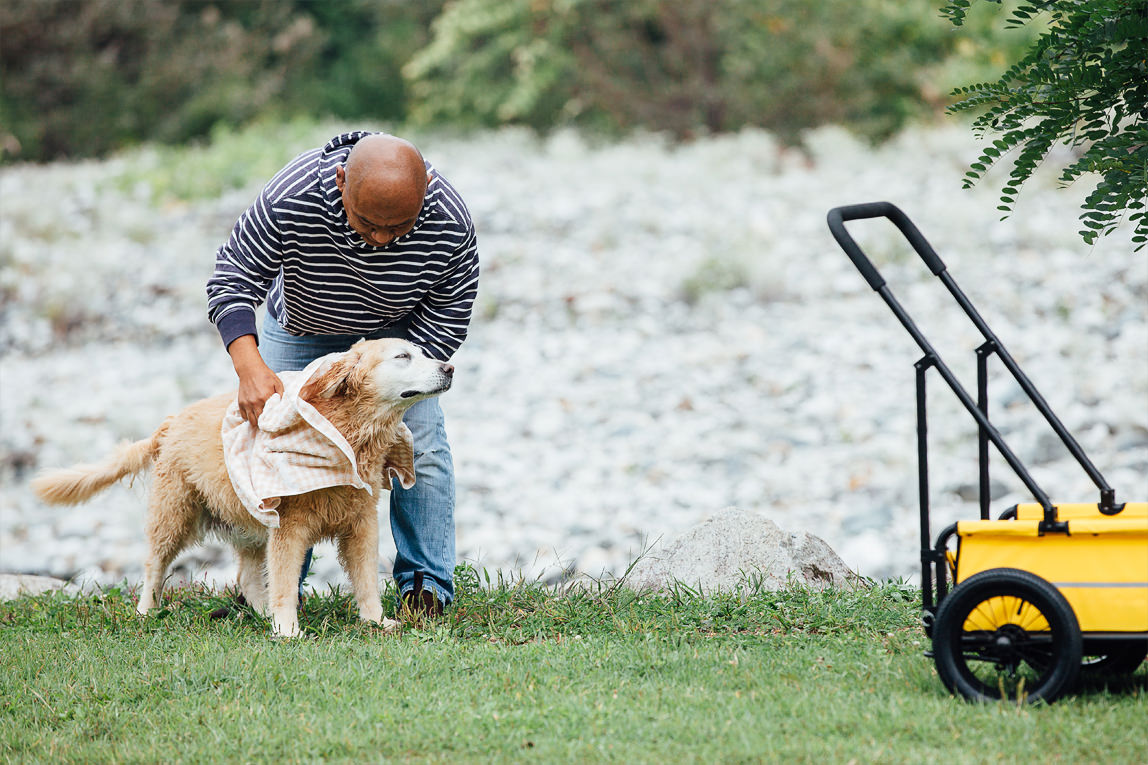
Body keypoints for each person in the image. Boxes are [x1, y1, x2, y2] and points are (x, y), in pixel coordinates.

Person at [206, 131, 478, 617]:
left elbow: (451, 309)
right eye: (368, 223)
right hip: (302, 328)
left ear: (425, 195)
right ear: (339, 182)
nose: (381, 239)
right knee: (282, 449)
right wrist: (249, 368)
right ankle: (274, 594)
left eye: (400, 228)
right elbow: (233, 276)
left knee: (424, 446)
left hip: (396, 341)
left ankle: (427, 588)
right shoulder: (293, 195)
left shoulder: (450, 221)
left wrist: (394, 397)